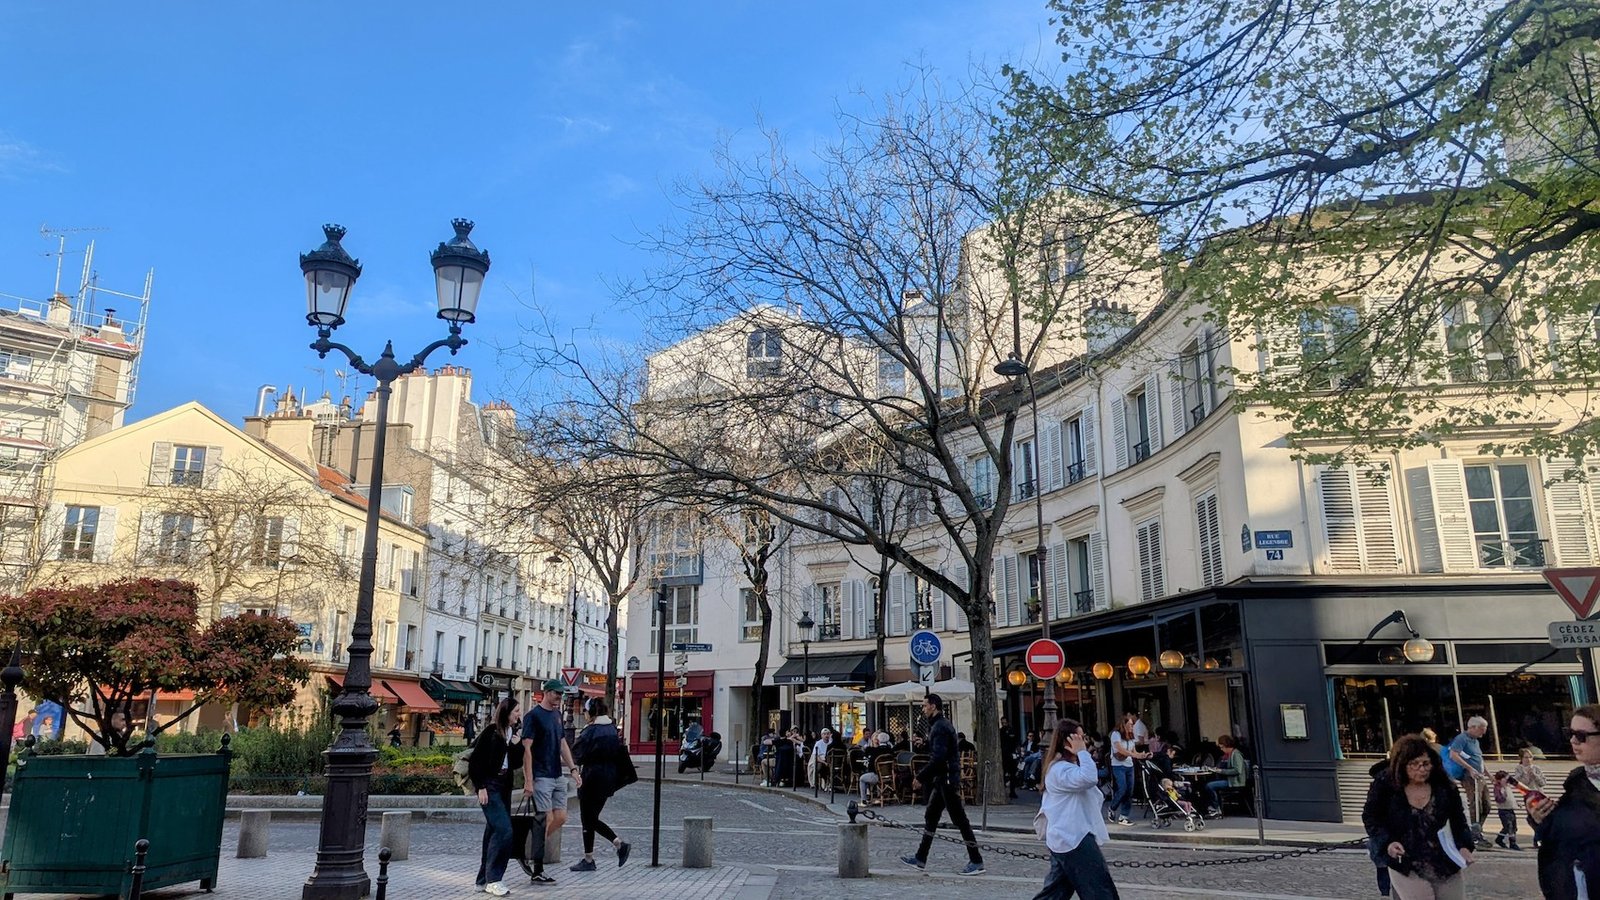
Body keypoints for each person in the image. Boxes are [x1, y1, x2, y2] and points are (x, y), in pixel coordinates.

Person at [1362, 734, 1474, 900]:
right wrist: (1388, 842)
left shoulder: (1444, 785)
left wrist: (1464, 846)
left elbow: (1458, 819)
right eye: (1414, 764)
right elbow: (1372, 817)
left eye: (1426, 764)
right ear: (1402, 764)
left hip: (1443, 858)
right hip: (1405, 860)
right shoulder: (1386, 784)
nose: (1422, 769)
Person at [1032, 717, 1119, 900]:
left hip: (1067, 837)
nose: (1084, 742)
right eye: (1079, 738)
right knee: (1100, 891)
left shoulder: (1064, 768)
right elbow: (1089, 778)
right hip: (1074, 838)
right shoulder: (1061, 770)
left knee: (1055, 893)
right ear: (1067, 741)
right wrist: (1082, 753)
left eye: (1083, 738)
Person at [900, 694, 983, 876]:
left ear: (933, 706)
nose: (923, 709)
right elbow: (940, 750)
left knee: (960, 820)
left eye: (924, 706)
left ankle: (976, 860)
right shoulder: (939, 726)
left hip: (946, 779)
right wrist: (926, 743)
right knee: (931, 816)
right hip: (942, 779)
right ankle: (920, 857)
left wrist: (920, 777)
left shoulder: (940, 727)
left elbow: (938, 758)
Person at [1528, 703, 1600, 900]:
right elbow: (1560, 834)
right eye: (1570, 733)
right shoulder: (1576, 780)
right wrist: (1540, 817)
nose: (1573, 741)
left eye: (1581, 736)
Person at [520, 680, 582, 886]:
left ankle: (528, 848)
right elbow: (526, 750)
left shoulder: (557, 715)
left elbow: (562, 742)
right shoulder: (533, 716)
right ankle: (538, 868)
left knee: (561, 817)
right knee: (544, 819)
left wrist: (572, 769)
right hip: (541, 775)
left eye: (562, 695)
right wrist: (529, 780)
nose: (559, 698)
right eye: (556, 694)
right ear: (546, 693)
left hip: (557, 774)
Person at [568, 698, 631, 872]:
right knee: (590, 818)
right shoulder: (611, 729)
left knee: (588, 819)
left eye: (586, 711)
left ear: (591, 712)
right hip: (608, 779)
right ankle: (589, 858)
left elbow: (577, 754)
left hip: (591, 778)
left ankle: (618, 844)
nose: (585, 714)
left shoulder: (591, 731)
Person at [468, 698, 520, 897]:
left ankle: (482, 880)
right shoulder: (491, 732)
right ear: (506, 712)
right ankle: (494, 879)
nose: (518, 715)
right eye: (516, 711)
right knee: (504, 830)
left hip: (503, 786)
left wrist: (517, 745)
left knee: (492, 833)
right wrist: (480, 786)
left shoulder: (510, 733)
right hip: (490, 786)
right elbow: (476, 761)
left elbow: (513, 763)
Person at [1442, 717, 1491, 848]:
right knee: (1476, 804)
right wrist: (1469, 769)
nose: (1483, 733)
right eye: (1482, 729)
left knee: (1486, 805)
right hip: (1470, 777)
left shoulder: (1475, 741)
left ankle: (1477, 831)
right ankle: (1475, 836)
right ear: (1473, 727)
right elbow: (1453, 754)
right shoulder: (1462, 738)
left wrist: (1489, 775)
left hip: (1479, 776)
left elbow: (1478, 759)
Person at [1107, 716, 1145, 826]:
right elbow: (1120, 749)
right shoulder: (1116, 734)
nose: (1132, 727)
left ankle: (1124, 815)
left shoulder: (1132, 737)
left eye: (1132, 725)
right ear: (1124, 725)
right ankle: (1112, 807)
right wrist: (1133, 754)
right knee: (1122, 788)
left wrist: (1142, 755)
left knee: (1129, 790)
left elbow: (1134, 751)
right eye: (1130, 724)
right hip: (1118, 765)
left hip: (1129, 765)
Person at [1202, 735, 1247, 818]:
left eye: (1222, 747)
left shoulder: (1236, 754)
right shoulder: (1229, 755)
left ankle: (1216, 808)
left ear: (1227, 745)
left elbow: (1237, 770)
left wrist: (1221, 771)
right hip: (1230, 780)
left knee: (1210, 786)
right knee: (1211, 784)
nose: (1221, 749)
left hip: (1235, 782)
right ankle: (1214, 807)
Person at [1514, 747, 1549, 850]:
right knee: (1532, 819)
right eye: (1526, 757)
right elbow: (1519, 783)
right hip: (1529, 796)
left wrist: (1534, 776)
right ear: (1521, 758)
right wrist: (1526, 776)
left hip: (1539, 795)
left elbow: (1543, 782)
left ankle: (1538, 839)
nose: (1528, 759)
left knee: (1540, 818)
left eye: (1530, 757)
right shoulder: (1519, 769)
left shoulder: (1536, 768)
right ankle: (1538, 838)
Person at [1490, 771, 1521, 850]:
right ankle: (1512, 843)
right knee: (1508, 827)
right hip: (1503, 811)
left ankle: (1499, 839)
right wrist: (1503, 795)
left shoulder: (1508, 787)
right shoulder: (1498, 788)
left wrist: (1516, 803)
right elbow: (1499, 799)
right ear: (1499, 780)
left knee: (1513, 827)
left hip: (1510, 809)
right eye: (1505, 779)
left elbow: (1511, 798)